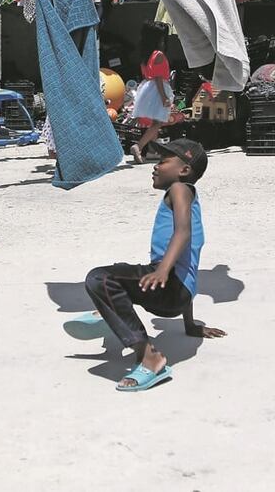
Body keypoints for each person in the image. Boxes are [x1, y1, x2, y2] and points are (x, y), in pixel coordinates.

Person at [82, 139, 226, 392]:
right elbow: (188, 266)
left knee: (99, 279)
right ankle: (109, 312)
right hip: (178, 294)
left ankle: (150, 358)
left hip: (168, 288)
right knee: (121, 269)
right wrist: (190, 325)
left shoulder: (180, 190)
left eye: (163, 161)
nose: (155, 166)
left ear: (183, 170)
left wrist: (162, 270)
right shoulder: (189, 196)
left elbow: (182, 233)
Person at [130, 50, 173, 164]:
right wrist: (164, 97)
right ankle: (138, 147)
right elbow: (158, 77)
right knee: (157, 122)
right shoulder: (158, 55)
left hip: (148, 87)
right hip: (158, 88)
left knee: (154, 122)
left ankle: (152, 151)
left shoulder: (145, 56)